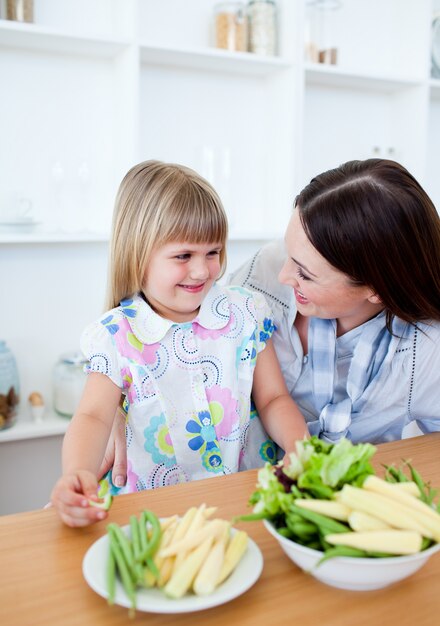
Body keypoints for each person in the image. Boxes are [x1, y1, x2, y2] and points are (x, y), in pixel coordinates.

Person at [104, 157, 440, 489]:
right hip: (224, 484)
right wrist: (117, 407)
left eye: (305, 274)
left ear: (376, 290)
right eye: (288, 252)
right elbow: (162, 328)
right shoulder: (264, 271)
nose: (283, 276)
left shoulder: (424, 353)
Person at [50, 160, 308, 527]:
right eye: (183, 256)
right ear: (138, 255)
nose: (202, 270)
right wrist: (77, 473)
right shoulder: (115, 336)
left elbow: (273, 398)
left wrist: (300, 447)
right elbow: (92, 416)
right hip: (157, 513)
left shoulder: (247, 312)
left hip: (245, 496)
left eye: (213, 252)